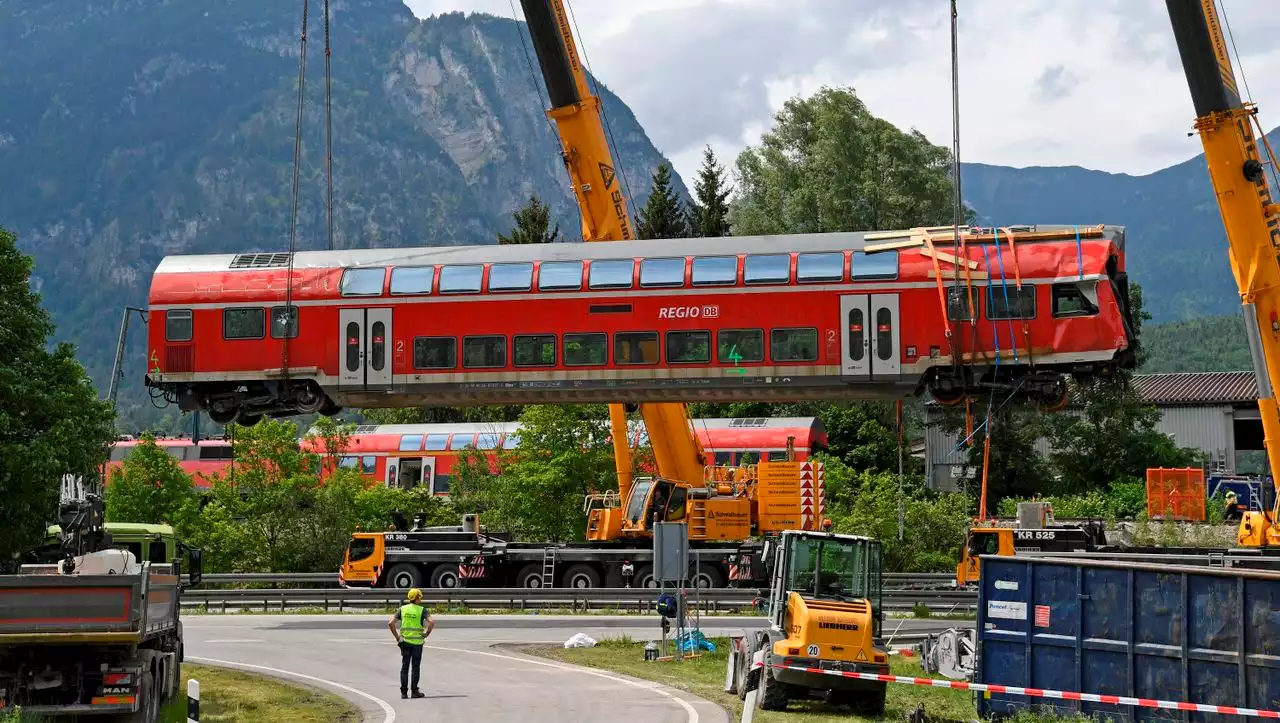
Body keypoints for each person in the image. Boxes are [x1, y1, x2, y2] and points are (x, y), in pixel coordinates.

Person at [388, 587, 433, 699]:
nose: (421, 600)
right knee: (415, 667)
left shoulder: (402, 609)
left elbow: (390, 623)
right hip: (417, 643)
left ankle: (403, 692)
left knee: (405, 666)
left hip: (405, 642)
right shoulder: (422, 610)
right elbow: (432, 622)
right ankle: (414, 691)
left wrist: (397, 637)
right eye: (420, 598)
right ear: (417, 598)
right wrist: (427, 634)